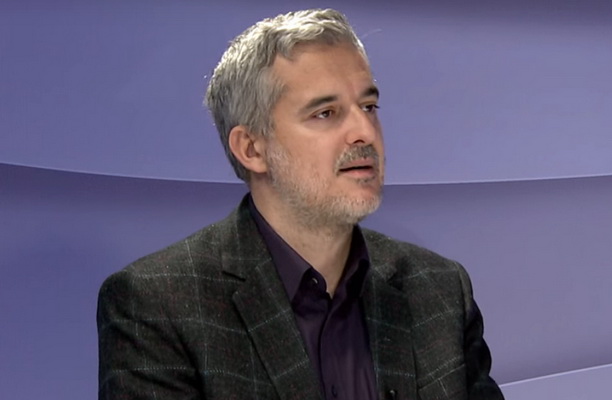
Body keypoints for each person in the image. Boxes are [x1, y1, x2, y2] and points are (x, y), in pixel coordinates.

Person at [97, 8, 504, 400]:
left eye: (368, 107)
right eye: (326, 113)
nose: (364, 131)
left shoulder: (438, 289)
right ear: (252, 148)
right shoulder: (158, 305)